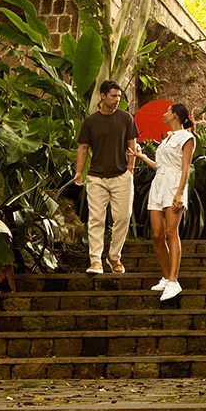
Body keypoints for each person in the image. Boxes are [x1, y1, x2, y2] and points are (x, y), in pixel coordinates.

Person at [73, 80, 138, 275]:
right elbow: (83, 148)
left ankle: (114, 256)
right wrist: (78, 172)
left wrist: (130, 169)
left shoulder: (126, 118)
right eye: (113, 96)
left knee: (123, 217)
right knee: (96, 219)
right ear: (102, 96)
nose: (117, 99)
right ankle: (95, 261)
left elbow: (132, 144)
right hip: (96, 178)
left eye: (119, 96)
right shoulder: (90, 122)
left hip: (121, 177)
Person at [135, 102, 195, 301]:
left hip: (174, 186)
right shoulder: (167, 139)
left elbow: (185, 168)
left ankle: (173, 280)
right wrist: (141, 156)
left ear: (176, 115)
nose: (164, 114)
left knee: (171, 232)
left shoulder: (187, 138)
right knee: (157, 234)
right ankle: (166, 276)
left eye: (167, 111)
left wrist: (179, 193)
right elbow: (160, 166)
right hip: (159, 185)